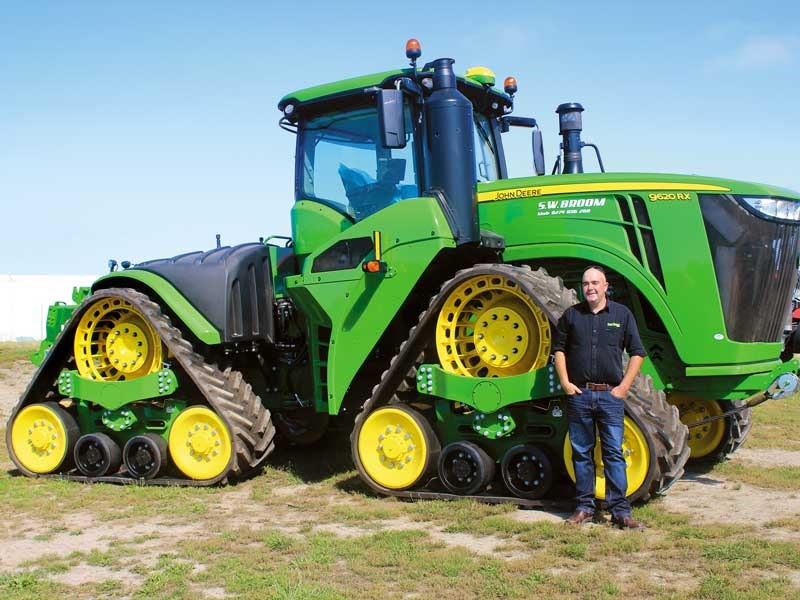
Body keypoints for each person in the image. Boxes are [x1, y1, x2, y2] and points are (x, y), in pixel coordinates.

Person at [553, 265, 647, 530]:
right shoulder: (572, 315)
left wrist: (623, 388)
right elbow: (558, 350)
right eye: (585, 284)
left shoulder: (622, 314)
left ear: (606, 286)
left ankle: (620, 512)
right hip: (580, 396)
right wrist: (565, 382)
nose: (590, 288)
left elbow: (637, 352)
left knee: (613, 453)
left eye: (595, 283)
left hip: (609, 396)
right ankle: (584, 507)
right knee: (581, 453)